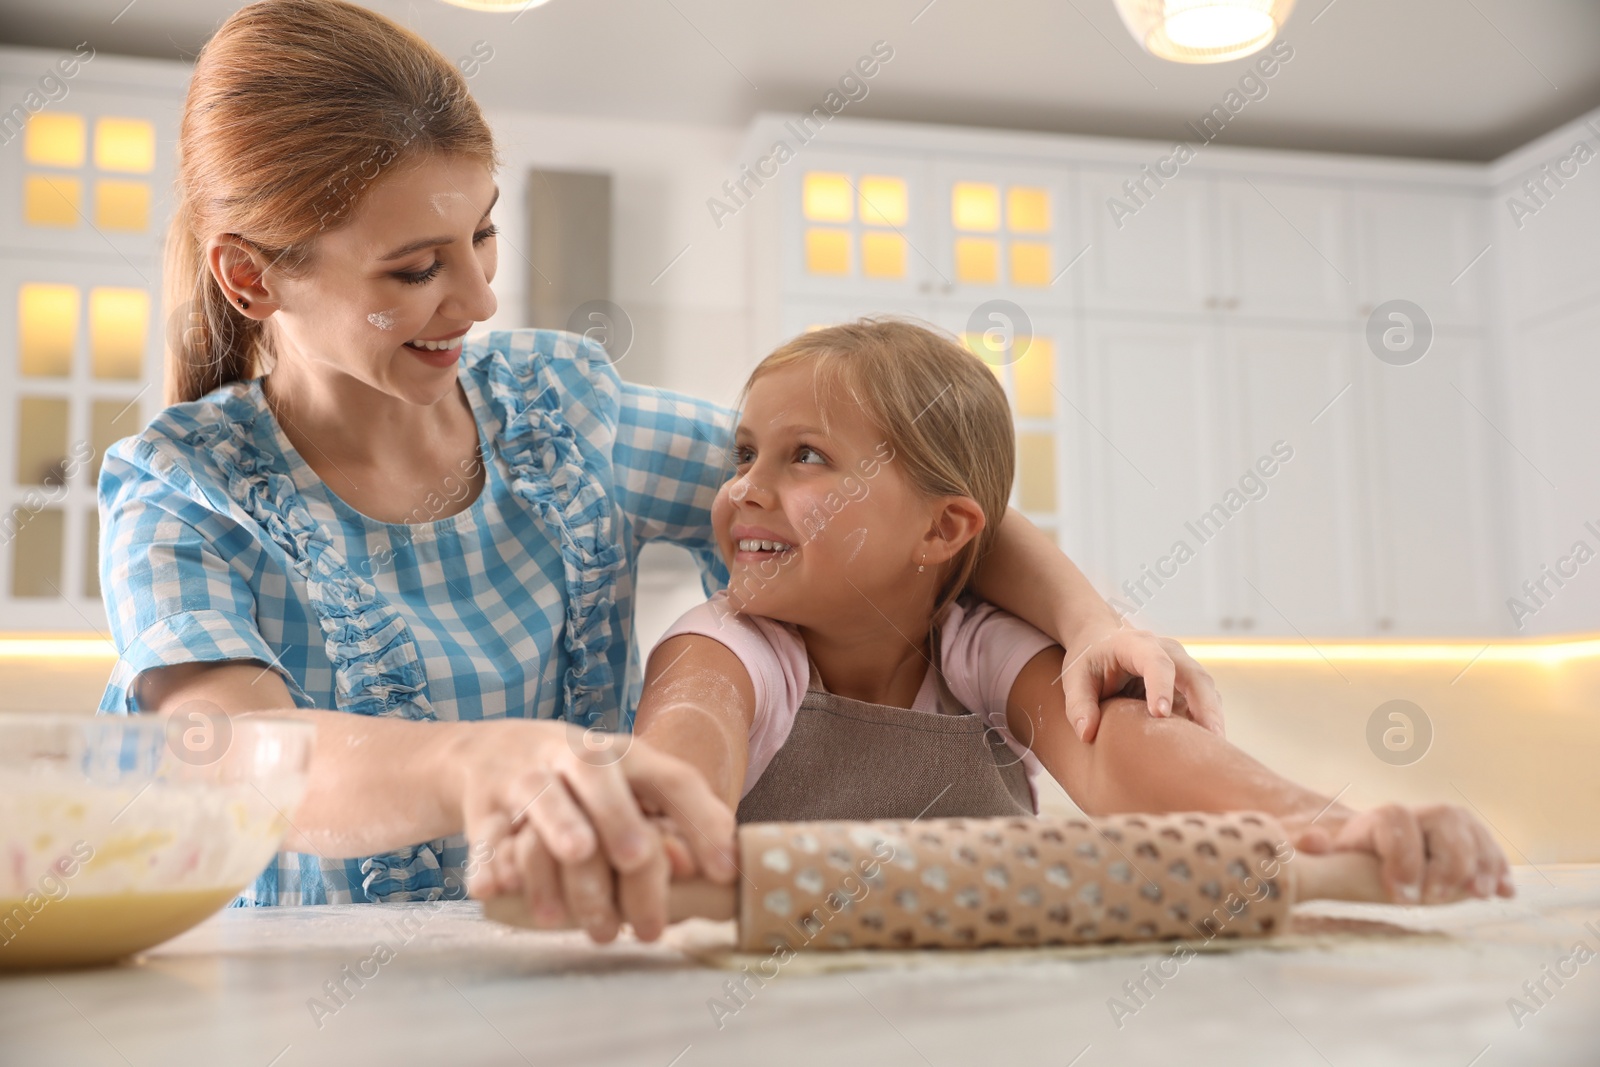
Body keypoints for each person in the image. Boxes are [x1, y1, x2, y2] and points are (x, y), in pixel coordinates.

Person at [98, 0, 1224, 943]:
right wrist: (480, 762)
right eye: (414, 268)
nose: (480, 299)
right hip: (291, 978)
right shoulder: (179, 488)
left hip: (556, 954)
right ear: (251, 279)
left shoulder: (554, 415)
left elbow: (894, 497)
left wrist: (1090, 623)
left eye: (484, 237)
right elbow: (228, 751)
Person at [631, 320, 1514, 907]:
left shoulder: (981, 648)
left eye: (805, 456)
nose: (746, 487)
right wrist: (657, 825)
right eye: (746, 454)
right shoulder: (724, 644)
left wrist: (1322, 822)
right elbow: (688, 740)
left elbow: (1123, 758)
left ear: (942, 529)